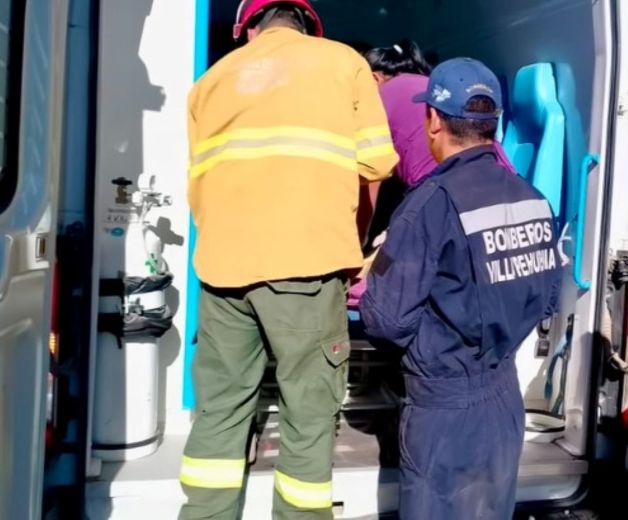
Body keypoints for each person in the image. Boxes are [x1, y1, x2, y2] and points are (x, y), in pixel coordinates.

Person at [179, 1, 398, 518]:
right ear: (306, 24)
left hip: (222, 268)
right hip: (306, 264)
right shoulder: (342, 63)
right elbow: (377, 161)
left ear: (248, 28)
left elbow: (201, 178)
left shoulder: (209, 82)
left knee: (221, 406)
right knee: (309, 406)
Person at [359, 58, 562, 519]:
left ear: (432, 119)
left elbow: (385, 320)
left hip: (443, 407)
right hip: (504, 399)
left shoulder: (427, 204)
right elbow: (545, 297)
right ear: (493, 124)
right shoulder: (532, 200)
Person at [348, 42, 519, 307]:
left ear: (373, 79)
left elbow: (368, 190)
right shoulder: (427, 87)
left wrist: (354, 259)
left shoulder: (378, 101)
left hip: (448, 202)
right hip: (498, 192)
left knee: (367, 290)